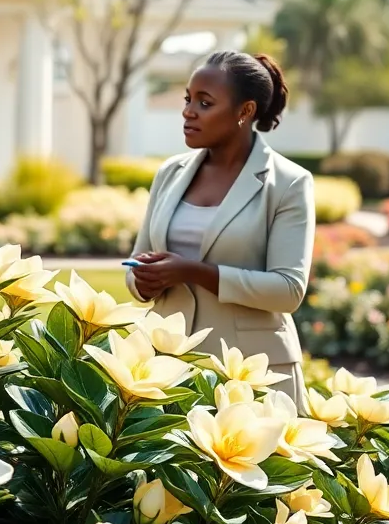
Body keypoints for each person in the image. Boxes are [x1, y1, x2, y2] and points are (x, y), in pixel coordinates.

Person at [126, 51, 314, 406]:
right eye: (188, 99)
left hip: (253, 374)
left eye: (205, 102)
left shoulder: (289, 183)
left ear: (245, 111)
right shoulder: (170, 173)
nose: (188, 111)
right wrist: (142, 279)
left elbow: (288, 290)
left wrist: (191, 271)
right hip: (166, 367)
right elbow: (136, 261)